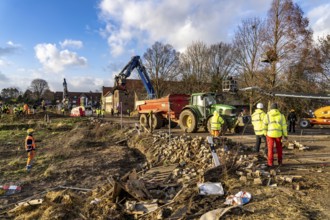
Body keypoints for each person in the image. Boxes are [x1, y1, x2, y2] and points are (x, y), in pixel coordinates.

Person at [263, 103, 288, 167]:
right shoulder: (281, 115)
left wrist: (265, 133)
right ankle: (280, 162)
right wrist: (285, 135)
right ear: (277, 108)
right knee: (279, 149)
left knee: (270, 149)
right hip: (278, 134)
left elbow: (264, 125)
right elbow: (284, 126)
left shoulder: (267, 115)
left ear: (271, 108)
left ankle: (270, 163)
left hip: (269, 134)